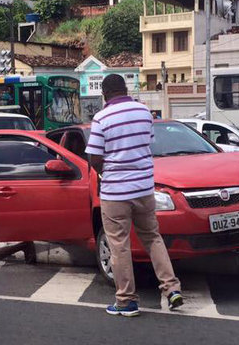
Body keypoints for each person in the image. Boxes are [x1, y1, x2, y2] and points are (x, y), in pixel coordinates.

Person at [85, 74, 182, 317]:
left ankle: (126, 300)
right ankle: (171, 289)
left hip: (115, 193)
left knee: (119, 245)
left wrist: (104, 171)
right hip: (143, 189)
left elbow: (94, 157)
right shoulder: (143, 112)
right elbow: (147, 144)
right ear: (125, 89)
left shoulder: (101, 118)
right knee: (152, 238)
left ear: (105, 94)